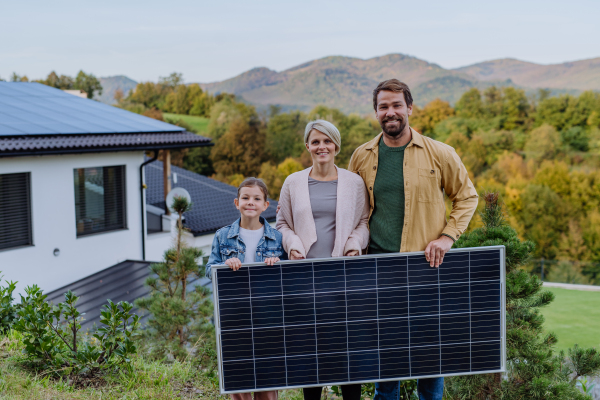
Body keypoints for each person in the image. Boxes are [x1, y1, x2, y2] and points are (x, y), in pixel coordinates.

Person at [348, 79, 478, 400]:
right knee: (387, 360)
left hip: (426, 271)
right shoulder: (361, 157)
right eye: (383, 107)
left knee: (430, 358)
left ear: (409, 108)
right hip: (378, 272)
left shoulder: (440, 153)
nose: (389, 112)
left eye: (396, 105)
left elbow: (467, 197)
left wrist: (447, 237)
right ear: (375, 112)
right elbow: (350, 210)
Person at [276, 119, 370, 400]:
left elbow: (364, 222)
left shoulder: (354, 182)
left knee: (346, 348)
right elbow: (282, 224)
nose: (321, 147)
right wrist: (292, 244)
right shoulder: (293, 182)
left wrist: (355, 243)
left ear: (337, 145)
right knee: (312, 349)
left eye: (327, 141)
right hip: (306, 279)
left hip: (344, 278)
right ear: (307, 146)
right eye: (315, 141)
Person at [206, 177, 283, 400]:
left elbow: (288, 279)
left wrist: (278, 266)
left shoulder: (276, 238)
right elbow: (209, 269)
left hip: (266, 316)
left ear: (265, 205)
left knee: (266, 373)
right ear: (236, 202)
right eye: (245, 198)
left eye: (257, 198)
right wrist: (224, 265)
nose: (251, 202)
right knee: (238, 372)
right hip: (234, 315)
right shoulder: (223, 236)